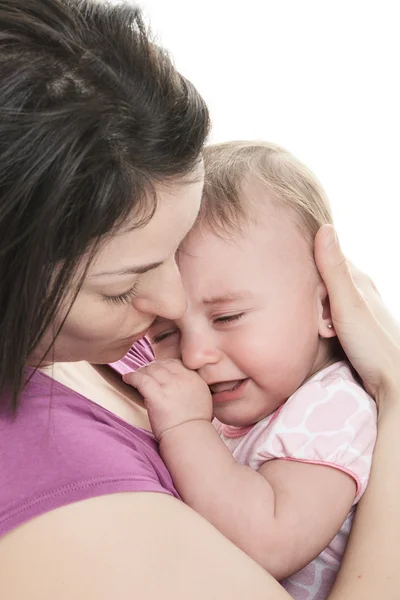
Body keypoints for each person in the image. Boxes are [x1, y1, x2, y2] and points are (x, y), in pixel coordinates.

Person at [0, 1, 399, 599]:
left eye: (173, 247)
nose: (169, 305)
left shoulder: (329, 411)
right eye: (123, 287)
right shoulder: (50, 469)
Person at [129, 141, 378, 599]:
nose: (194, 355)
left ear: (326, 308)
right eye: (166, 334)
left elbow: (268, 542)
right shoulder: (255, 407)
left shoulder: (333, 406)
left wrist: (186, 428)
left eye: (226, 318)